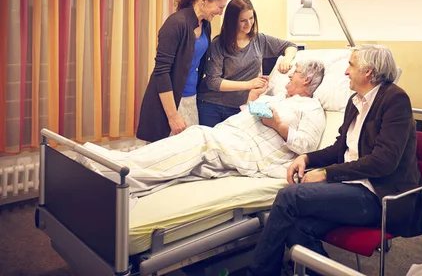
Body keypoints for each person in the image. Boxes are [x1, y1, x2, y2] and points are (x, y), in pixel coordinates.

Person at [249, 45, 422, 276]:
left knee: (289, 196)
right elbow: (339, 149)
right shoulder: (356, 102)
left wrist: (326, 174)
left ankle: (258, 273)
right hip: (351, 189)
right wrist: (306, 157)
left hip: (378, 196)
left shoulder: (395, 100)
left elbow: (384, 162)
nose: (345, 72)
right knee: (296, 227)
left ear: (369, 72)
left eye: (351, 65)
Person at [84, 60, 326, 196]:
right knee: (195, 136)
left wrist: (278, 124)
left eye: (295, 73)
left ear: (306, 79)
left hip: (250, 152)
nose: (289, 76)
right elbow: (248, 115)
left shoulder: (312, 108)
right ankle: (123, 164)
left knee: (201, 138)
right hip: (229, 133)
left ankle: (120, 172)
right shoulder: (277, 97)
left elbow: (307, 145)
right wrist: (252, 101)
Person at [136, 0, 231, 143]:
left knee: (187, 153)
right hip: (170, 102)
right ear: (204, 0)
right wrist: (173, 117)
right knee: (164, 157)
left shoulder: (205, 25)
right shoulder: (176, 24)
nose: (220, 13)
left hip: (190, 99)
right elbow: (161, 72)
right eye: (219, 7)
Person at [198, 0, 298, 127]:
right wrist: (249, 84)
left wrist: (286, 59)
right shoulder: (219, 44)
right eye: (243, 20)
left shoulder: (259, 40)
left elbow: (290, 46)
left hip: (240, 106)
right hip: (212, 104)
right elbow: (213, 82)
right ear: (232, 22)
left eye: (251, 18)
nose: (249, 24)